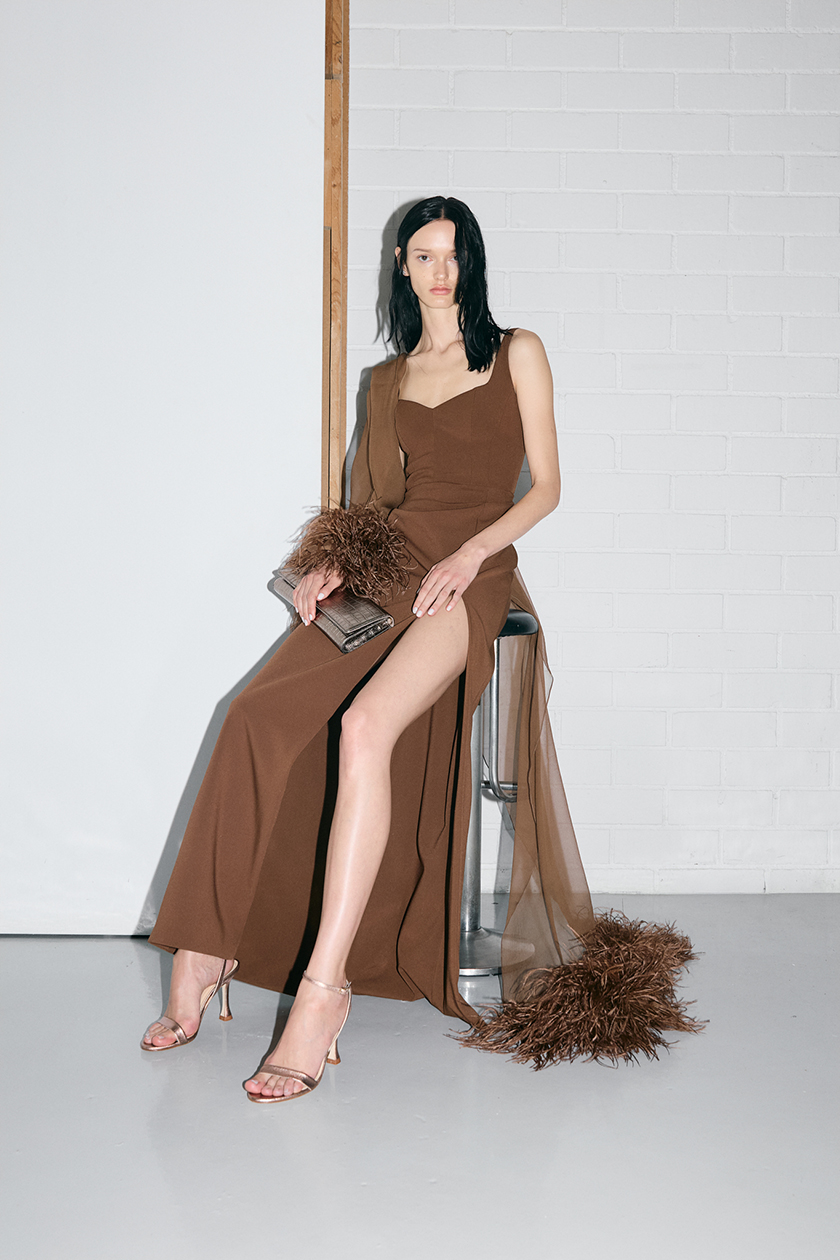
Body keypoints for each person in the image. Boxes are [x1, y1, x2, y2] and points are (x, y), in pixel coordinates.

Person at [141, 196, 696, 1099]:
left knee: (364, 729)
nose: (441, 272)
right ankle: (206, 947)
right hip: (390, 567)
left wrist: (476, 552)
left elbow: (547, 486)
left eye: (455, 256)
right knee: (250, 712)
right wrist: (324, 568)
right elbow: (370, 505)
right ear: (403, 266)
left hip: (467, 578)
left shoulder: (517, 351)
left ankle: (323, 994)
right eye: (425, 256)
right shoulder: (387, 380)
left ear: (472, 264)